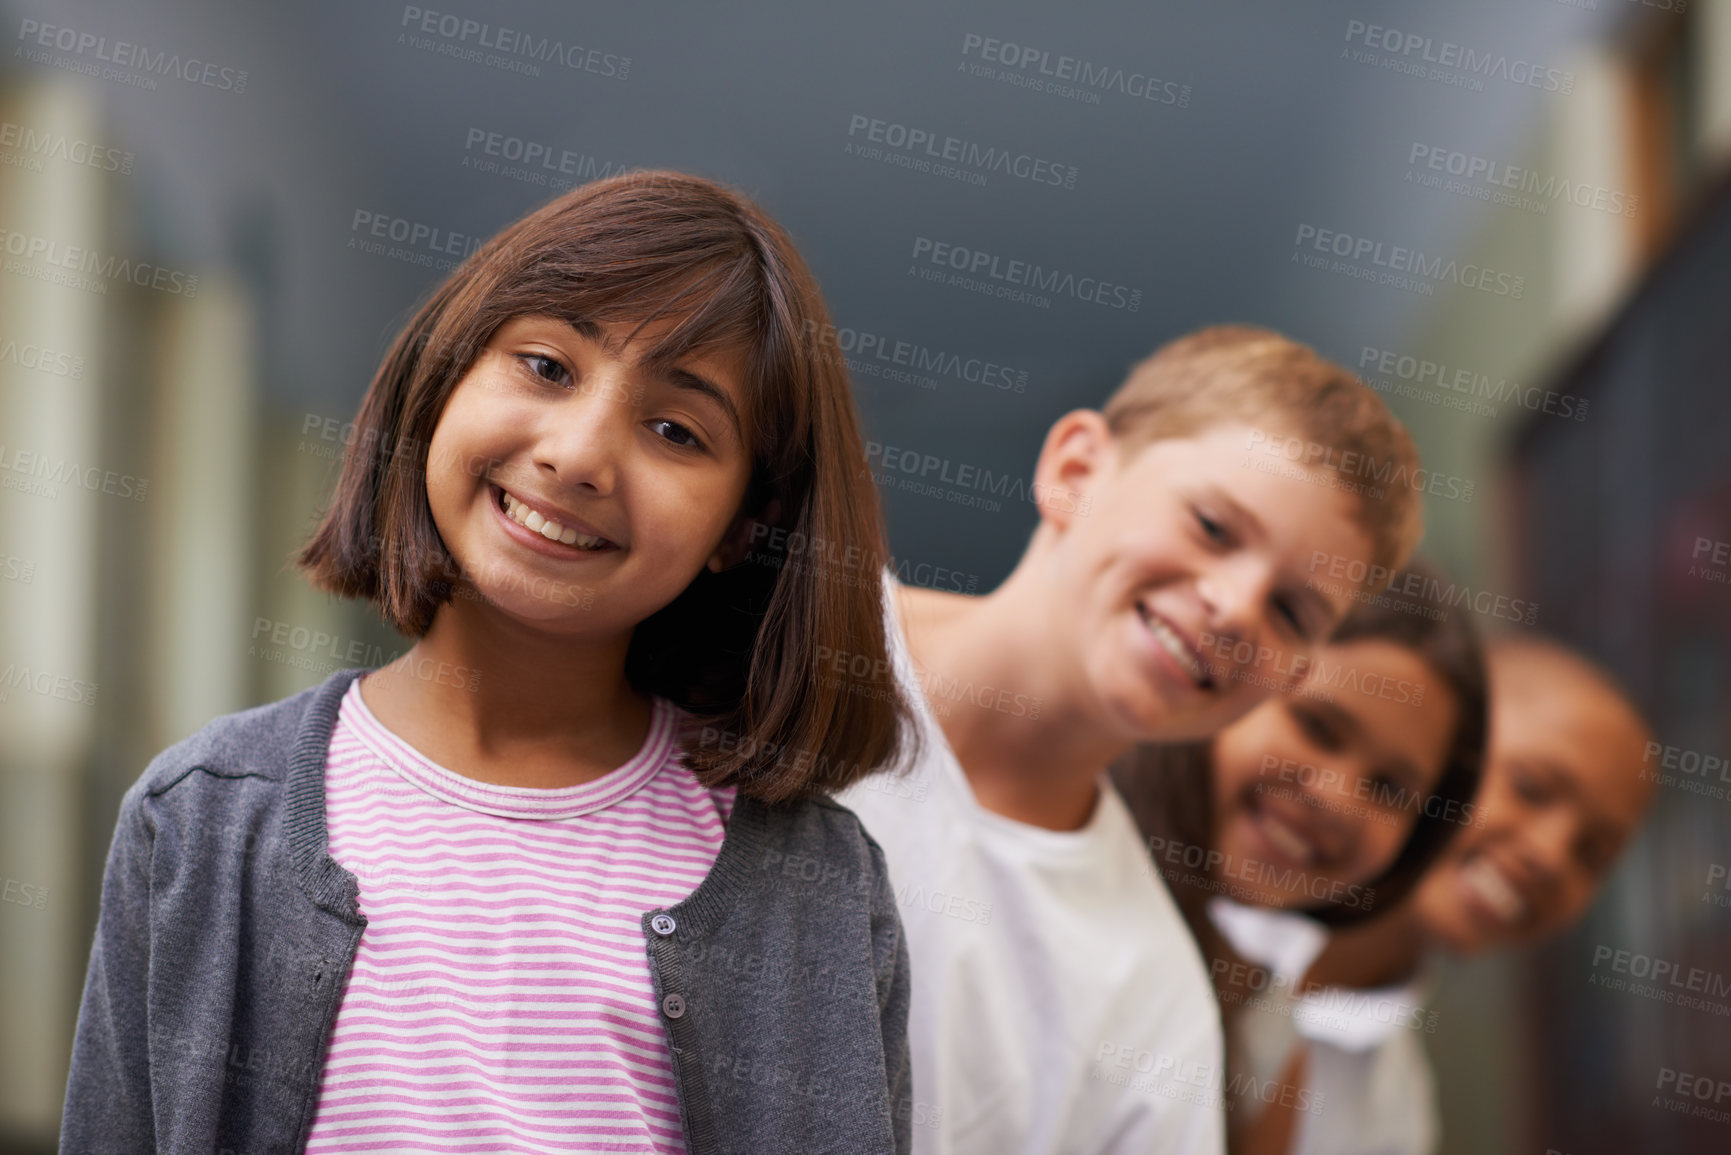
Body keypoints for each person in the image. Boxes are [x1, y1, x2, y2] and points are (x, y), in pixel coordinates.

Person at [60, 171, 920, 1155]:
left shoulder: (813, 882)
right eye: (548, 366)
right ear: (443, 379)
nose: (581, 454)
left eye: (678, 430)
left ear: (743, 526)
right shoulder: (205, 816)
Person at [837, 325, 1425, 1154]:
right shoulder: (765, 639)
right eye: (1213, 527)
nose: (1234, 606)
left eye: (1292, 611)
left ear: (1292, 672)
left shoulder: (1151, 1005)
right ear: (1075, 470)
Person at [1111, 562, 1488, 1152]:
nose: (1336, 798)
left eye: (1389, 790)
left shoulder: (1266, 1022)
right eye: (1316, 725)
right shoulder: (1054, 853)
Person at [1228, 634, 1655, 1155]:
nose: (1550, 856)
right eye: (1530, 788)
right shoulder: (1193, 901)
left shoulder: (1394, 1114)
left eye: (1592, 854)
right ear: (1433, 751)